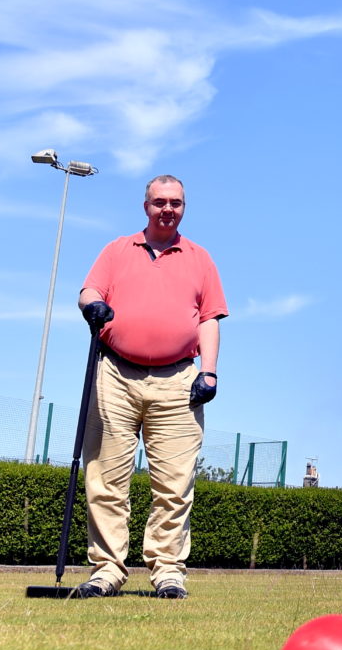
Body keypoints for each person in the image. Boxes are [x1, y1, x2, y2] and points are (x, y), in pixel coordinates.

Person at [73, 175, 228, 599]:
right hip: (115, 375)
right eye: (159, 201)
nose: (167, 209)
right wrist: (94, 305)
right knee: (105, 478)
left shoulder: (200, 258)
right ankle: (106, 570)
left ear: (183, 207)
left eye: (175, 203)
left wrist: (209, 372)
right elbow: (88, 291)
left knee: (175, 484)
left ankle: (168, 571)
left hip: (179, 380)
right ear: (146, 206)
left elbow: (209, 318)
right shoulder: (118, 249)